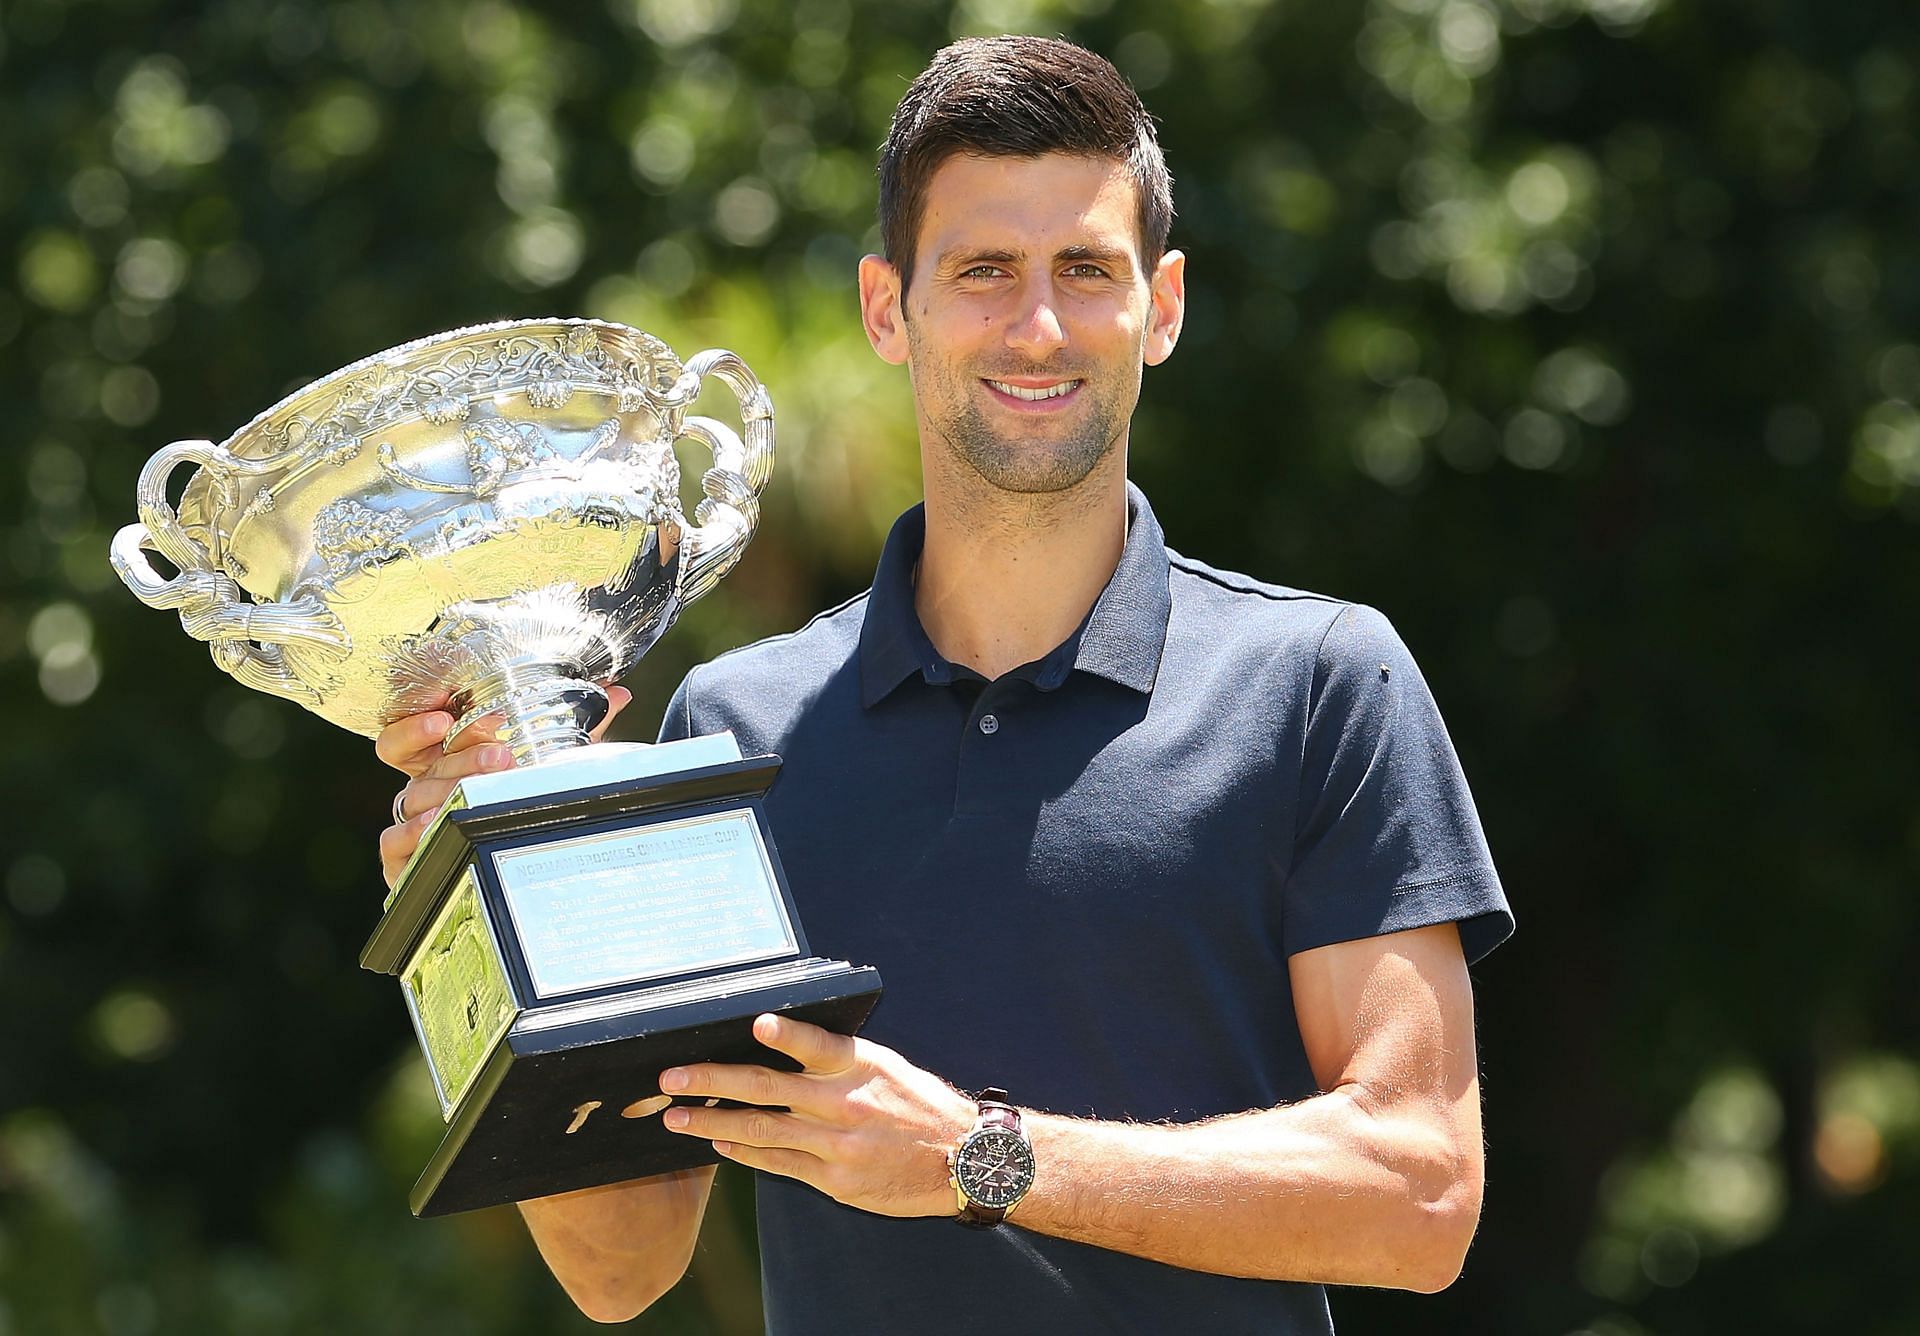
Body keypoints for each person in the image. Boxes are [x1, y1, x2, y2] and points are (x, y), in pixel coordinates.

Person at [377, 35, 1512, 1334]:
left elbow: (1420, 1196)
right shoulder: (736, 731)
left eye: (1085, 269)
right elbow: (621, 1266)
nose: (1038, 326)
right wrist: (478, 898)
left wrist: (980, 1157)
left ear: (1165, 303)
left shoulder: (1319, 685)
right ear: (884, 306)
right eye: (983, 272)